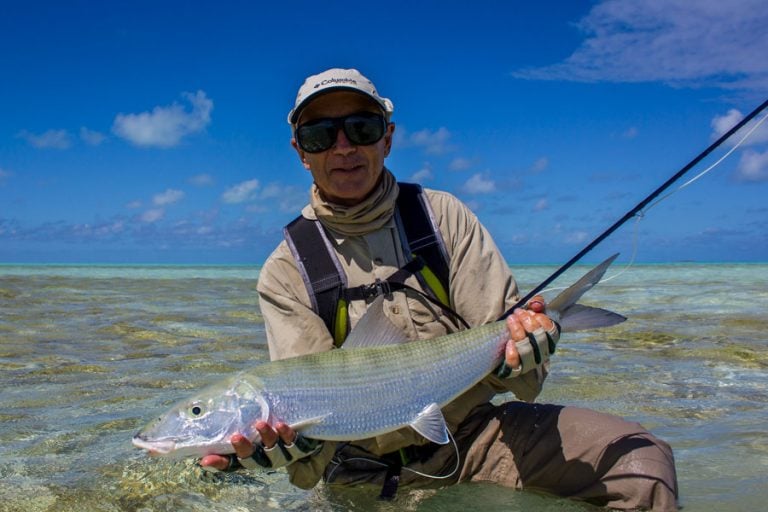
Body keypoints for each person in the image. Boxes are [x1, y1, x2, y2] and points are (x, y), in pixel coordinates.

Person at [201, 68, 678, 510]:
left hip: (476, 436)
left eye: (361, 128)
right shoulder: (286, 270)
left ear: (387, 139)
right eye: (321, 135)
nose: (343, 147)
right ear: (301, 152)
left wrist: (528, 347)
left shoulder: (442, 217)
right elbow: (308, 422)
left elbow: (508, 356)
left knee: (641, 464)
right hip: (360, 472)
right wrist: (289, 449)